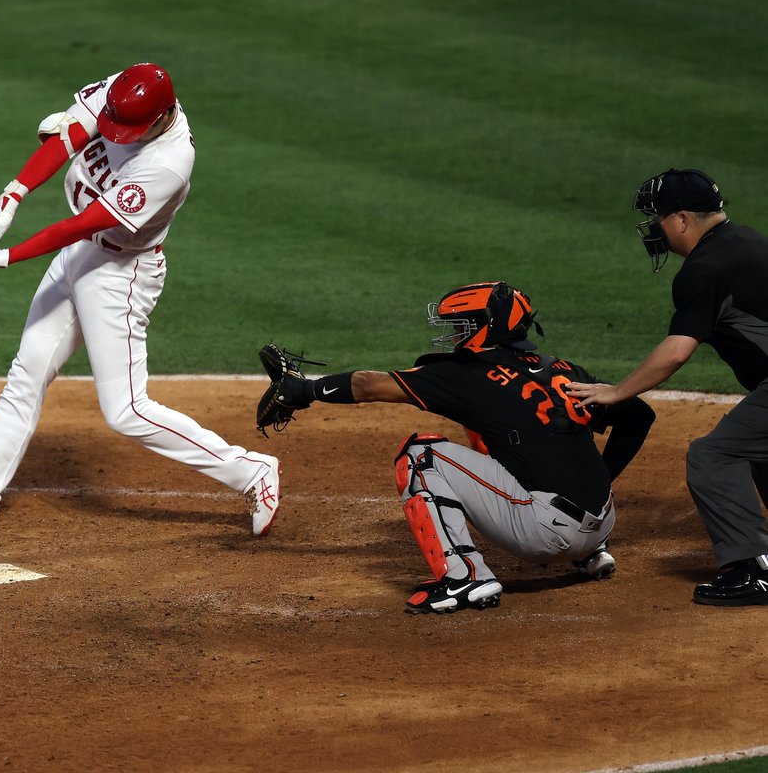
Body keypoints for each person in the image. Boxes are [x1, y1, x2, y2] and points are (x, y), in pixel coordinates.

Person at [0, 63, 281, 535]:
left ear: (160, 118)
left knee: (127, 410)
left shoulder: (168, 165)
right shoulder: (127, 90)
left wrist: (10, 257)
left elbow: (85, 223)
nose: (117, 135)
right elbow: (69, 136)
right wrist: (14, 195)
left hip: (119, 274)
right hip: (76, 257)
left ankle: (252, 471)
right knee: (27, 371)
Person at [263, 281, 654, 614]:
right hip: (601, 523)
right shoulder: (565, 369)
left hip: (546, 535)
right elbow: (639, 417)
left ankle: (464, 578)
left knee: (421, 457)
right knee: (495, 436)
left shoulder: (467, 375)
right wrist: (603, 478)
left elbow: (368, 384)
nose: (454, 333)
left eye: (462, 325)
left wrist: (303, 390)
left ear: (485, 328)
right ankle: (590, 551)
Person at [567, 169, 768, 607]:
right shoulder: (745, 241)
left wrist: (618, 391)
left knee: (714, 455)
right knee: (756, 445)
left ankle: (755, 570)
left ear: (680, 219)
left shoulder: (705, 268)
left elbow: (677, 351)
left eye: (656, 218)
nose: (652, 229)